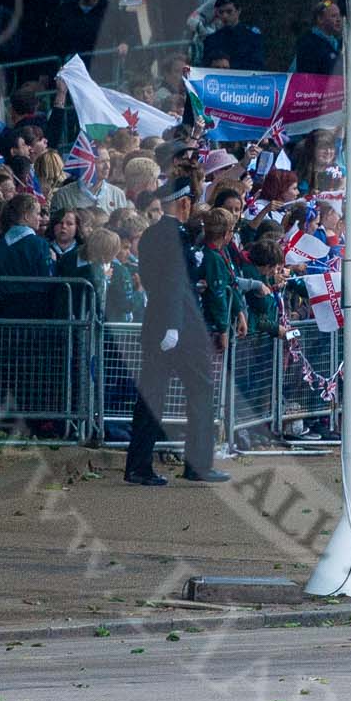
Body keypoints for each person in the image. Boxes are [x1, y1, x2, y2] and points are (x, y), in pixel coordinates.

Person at [129, 178, 227, 485]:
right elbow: (172, 281)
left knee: (153, 396)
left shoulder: (153, 235)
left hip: (162, 320)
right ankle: (196, 463)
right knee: (199, 391)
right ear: (184, 203)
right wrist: (173, 324)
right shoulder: (174, 236)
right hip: (178, 325)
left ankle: (138, 465)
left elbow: (158, 280)